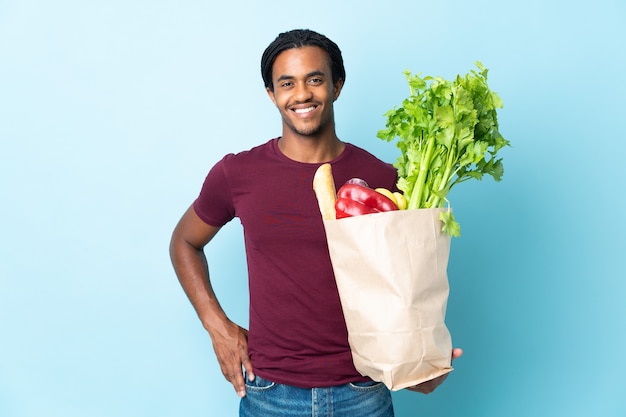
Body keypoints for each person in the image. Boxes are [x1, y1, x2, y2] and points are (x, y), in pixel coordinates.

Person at [169, 28, 462, 417]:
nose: (302, 94)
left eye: (315, 79)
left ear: (337, 86)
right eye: (287, 83)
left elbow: (405, 283)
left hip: (363, 392)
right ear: (272, 95)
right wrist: (216, 324)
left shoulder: (384, 179)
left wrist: (418, 358)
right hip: (269, 394)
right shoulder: (238, 174)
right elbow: (184, 242)